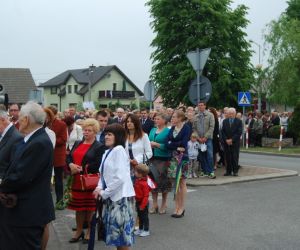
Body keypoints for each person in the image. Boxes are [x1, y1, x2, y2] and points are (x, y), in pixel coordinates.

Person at [0, 101, 55, 250]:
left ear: (27, 119)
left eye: (20, 118)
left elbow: (21, 176)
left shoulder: (39, 142)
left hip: (27, 212)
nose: (17, 121)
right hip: (22, 211)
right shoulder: (32, 139)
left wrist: (1, 184)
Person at [94, 123, 135, 250]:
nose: (106, 137)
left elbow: (120, 178)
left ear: (118, 136)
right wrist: (99, 188)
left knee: (121, 238)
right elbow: (102, 174)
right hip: (111, 197)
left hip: (120, 199)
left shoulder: (119, 151)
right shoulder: (107, 152)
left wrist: (104, 192)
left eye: (110, 134)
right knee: (116, 238)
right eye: (105, 134)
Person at [67, 118, 106, 244]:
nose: (86, 132)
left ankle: (90, 231)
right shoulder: (78, 142)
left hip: (89, 182)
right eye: (84, 130)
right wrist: (71, 165)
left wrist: (80, 168)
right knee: (79, 208)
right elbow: (69, 156)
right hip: (77, 181)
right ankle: (79, 231)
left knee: (89, 208)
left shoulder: (99, 146)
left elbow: (97, 164)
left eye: (89, 130)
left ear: (95, 132)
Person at [166, 110, 190, 218]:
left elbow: (184, 144)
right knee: (175, 183)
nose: (172, 119)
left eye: (174, 117)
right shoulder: (172, 128)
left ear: (180, 118)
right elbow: (167, 143)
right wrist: (176, 145)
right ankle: (176, 207)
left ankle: (182, 207)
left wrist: (173, 144)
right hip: (173, 158)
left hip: (182, 158)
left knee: (182, 182)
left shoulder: (186, 128)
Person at [148, 112, 170, 214]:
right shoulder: (152, 130)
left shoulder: (168, 131)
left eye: (158, 119)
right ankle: (155, 203)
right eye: (155, 119)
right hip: (152, 158)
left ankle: (164, 204)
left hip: (163, 158)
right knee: (153, 181)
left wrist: (157, 145)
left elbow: (169, 146)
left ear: (164, 120)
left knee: (163, 181)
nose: (156, 121)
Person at [47, 105, 68, 204]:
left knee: (58, 179)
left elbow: (63, 139)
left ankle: (59, 200)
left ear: (55, 115)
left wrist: (50, 141)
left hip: (57, 156)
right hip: (46, 156)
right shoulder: (44, 124)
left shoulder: (62, 124)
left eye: (50, 115)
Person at [192, 101, 216, 179]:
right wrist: (198, 138)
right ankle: (204, 171)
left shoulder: (210, 115)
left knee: (209, 155)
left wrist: (205, 137)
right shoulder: (195, 117)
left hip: (207, 139)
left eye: (202, 105)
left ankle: (211, 171)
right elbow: (194, 129)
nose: (200, 107)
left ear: (205, 106)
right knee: (201, 156)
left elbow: (212, 127)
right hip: (199, 139)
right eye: (199, 105)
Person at [124, 114, 152, 178]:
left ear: (136, 123)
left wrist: (137, 160)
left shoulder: (144, 136)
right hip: (126, 167)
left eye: (131, 122)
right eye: (127, 122)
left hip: (139, 168)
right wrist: (128, 160)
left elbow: (149, 153)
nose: (129, 123)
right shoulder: (124, 136)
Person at [221, 108, 243, 176]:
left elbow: (239, 132)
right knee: (227, 157)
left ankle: (235, 171)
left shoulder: (239, 121)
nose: (230, 115)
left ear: (235, 114)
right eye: (229, 113)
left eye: (232, 113)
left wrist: (232, 140)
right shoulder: (225, 121)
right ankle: (228, 171)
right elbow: (223, 131)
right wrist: (226, 140)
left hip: (235, 142)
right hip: (226, 142)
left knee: (235, 157)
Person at [133, 163, 150, 237]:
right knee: (139, 216)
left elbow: (146, 196)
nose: (134, 173)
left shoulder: (144, 184)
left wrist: (143, 205)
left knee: (144, 217)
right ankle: (140, 229)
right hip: (138, 201)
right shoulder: (137, 180)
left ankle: (146, 230)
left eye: (136, 172)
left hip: (143, 203)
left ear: (141, 174)